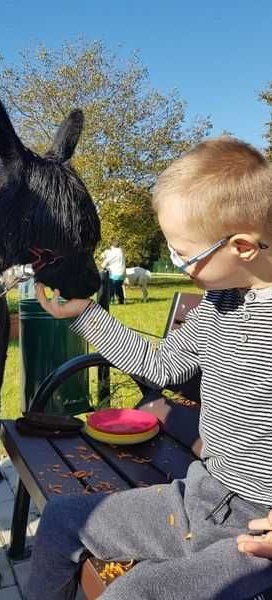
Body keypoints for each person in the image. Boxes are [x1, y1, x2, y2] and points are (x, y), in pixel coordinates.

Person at [27, 137, 272, 600]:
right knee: (62, 521)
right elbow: (161, 363)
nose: (178, 264)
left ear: (241, 246)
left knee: (132, 593)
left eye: (184, 253)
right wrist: (83, 313)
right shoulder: (220, 302)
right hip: (200, 497)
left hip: (254, 530)